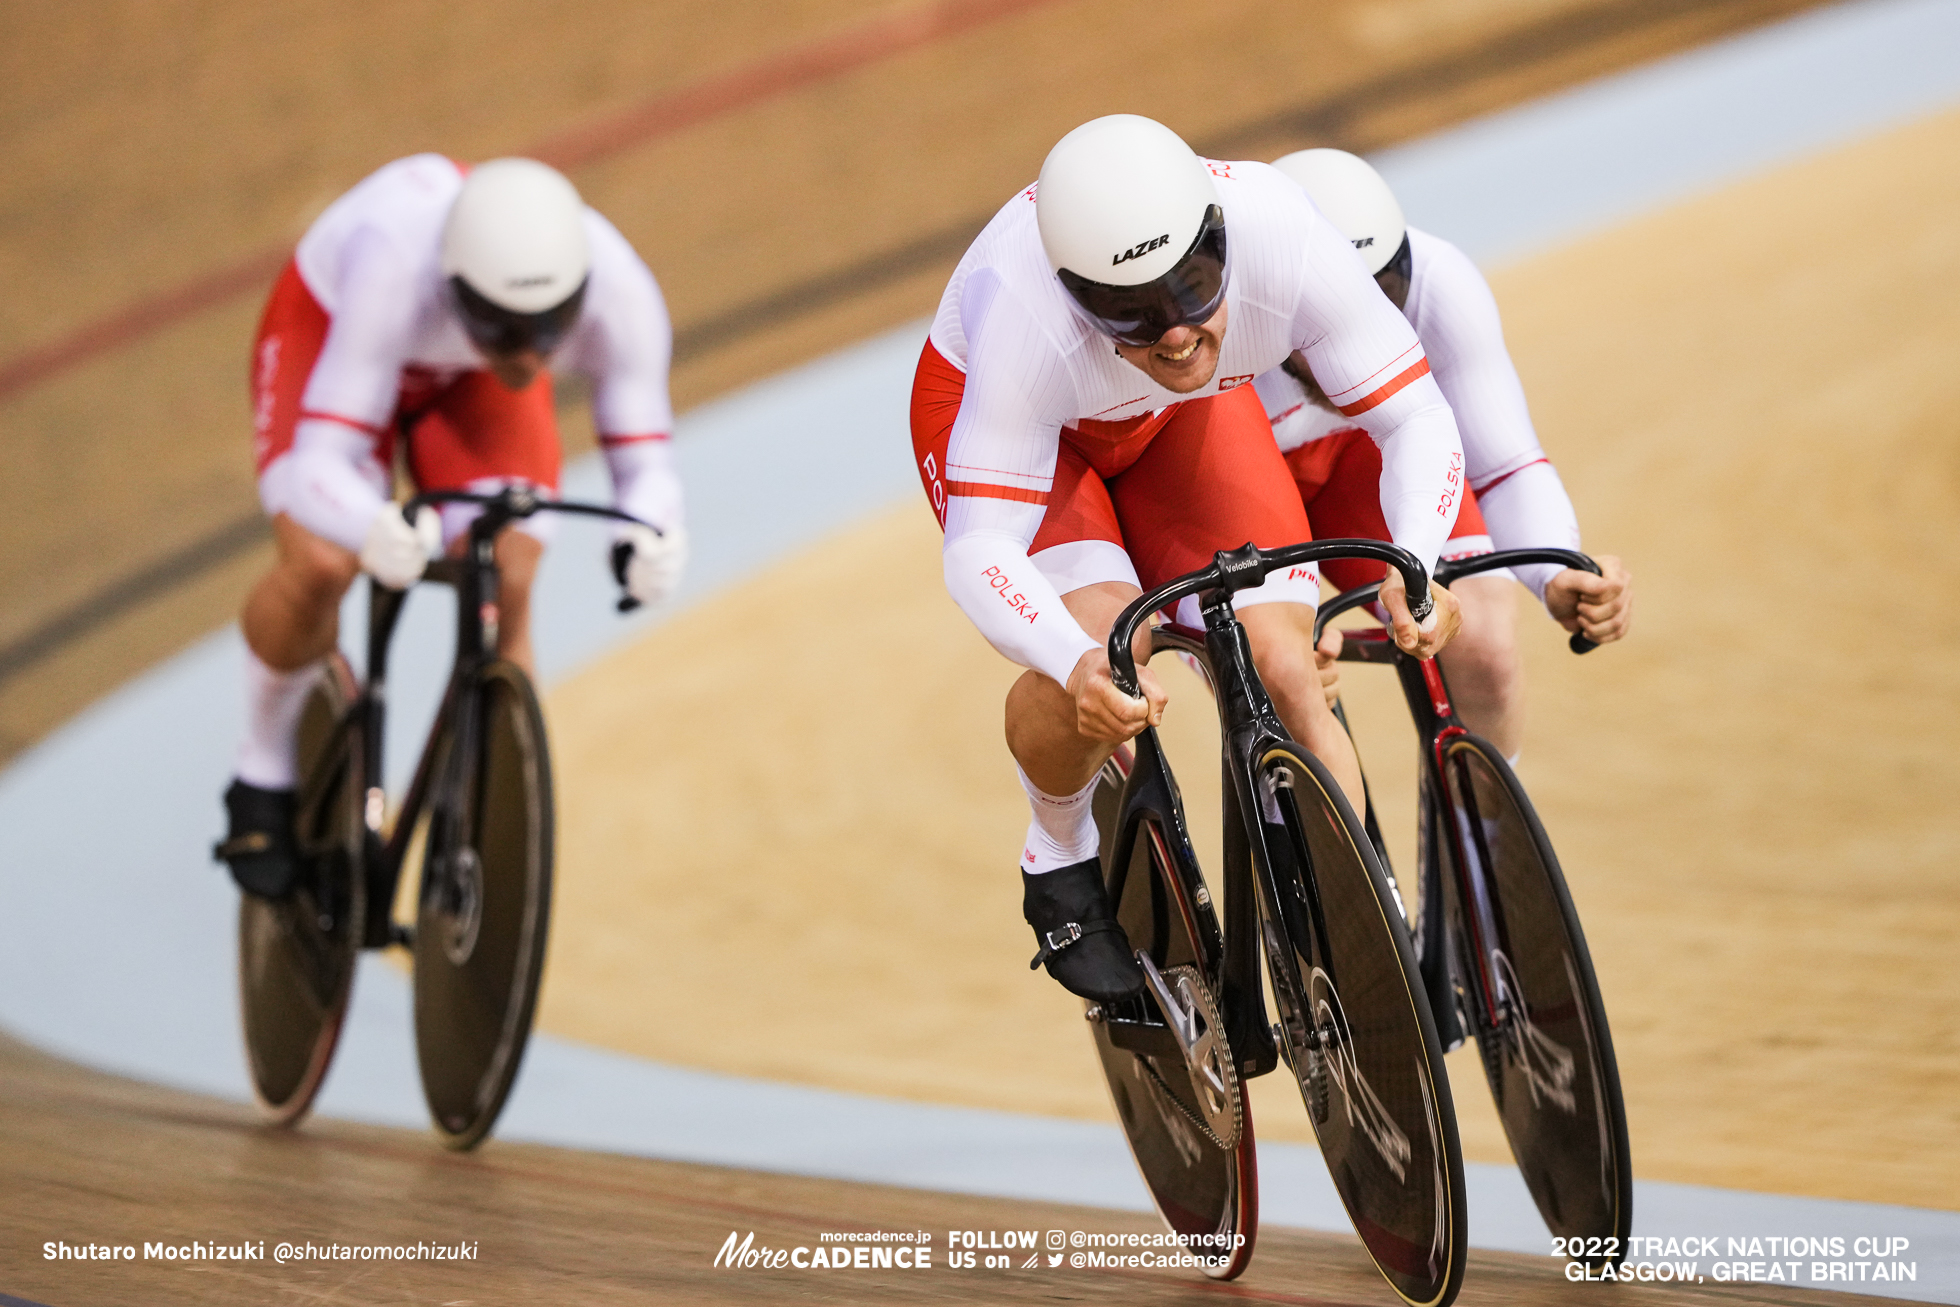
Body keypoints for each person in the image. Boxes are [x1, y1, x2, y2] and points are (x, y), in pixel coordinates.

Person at [910, 115, 1467, 1003]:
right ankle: (1057, 854)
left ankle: (1360, 951)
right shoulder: (1023, 316)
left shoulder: (1282, 235)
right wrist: (1073, 661)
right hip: (1042, 437)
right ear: (1072, 292)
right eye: (1129, 311)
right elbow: (978, 548)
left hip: (1183, 418)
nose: (1173, 335)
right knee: (1104, 647)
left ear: (1219, 239)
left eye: (1195, 287)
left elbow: (1419, 419)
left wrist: (1417, 563)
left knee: (1285, 658)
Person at [217, 154, 688, 897]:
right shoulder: (392, 268)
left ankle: (488, 806)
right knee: (322, 565)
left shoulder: (620, 290)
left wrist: (649, 535)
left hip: (462, 375)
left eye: (549, 329)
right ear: (455, 287)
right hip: (334, 333)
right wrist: (367, 523)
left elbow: (647, 461)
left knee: (513, 568)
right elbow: (319, 466)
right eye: (505, 329)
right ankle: (261, 773)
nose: (530, 354)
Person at [1257, 149, 1633, 757]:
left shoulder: (1439, 282)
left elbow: (1504, 465)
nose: (1361, 337)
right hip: (1256, 478)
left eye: (1384, 296)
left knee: (1484, 648)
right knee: (1278, 686)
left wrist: (1555, 572)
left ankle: (1485, 844)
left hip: (1366, 457)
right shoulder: (1220, 340)